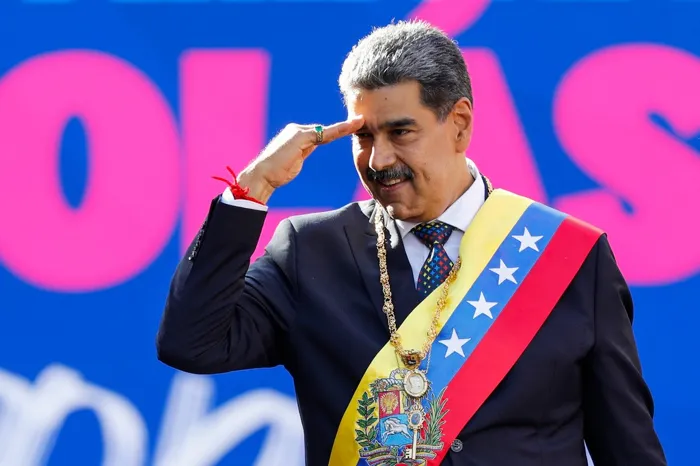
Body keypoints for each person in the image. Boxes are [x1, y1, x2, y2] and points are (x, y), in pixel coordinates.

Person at [156, 20, 667, 466]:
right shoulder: (310, 250)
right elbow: (190, 343)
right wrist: (253, 188)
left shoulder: (569, 256)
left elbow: (627, 446)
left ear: (459, 124)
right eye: (364, 137)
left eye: (401, 133)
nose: (378, 160)